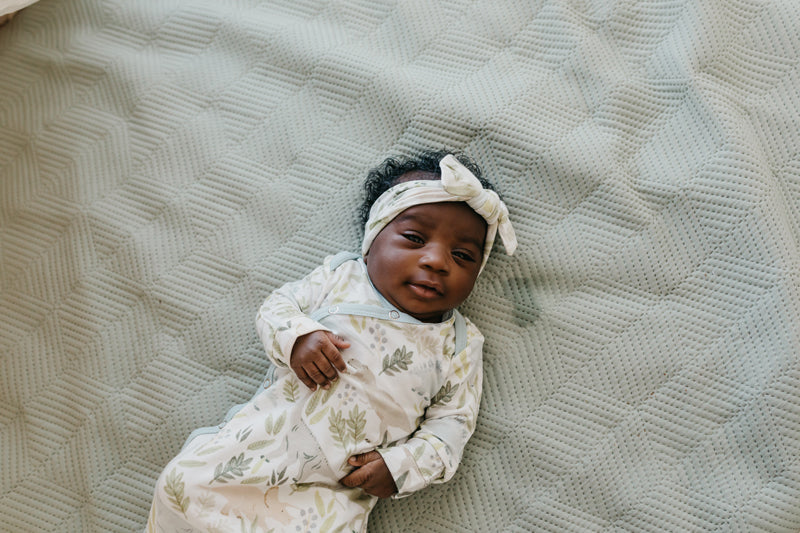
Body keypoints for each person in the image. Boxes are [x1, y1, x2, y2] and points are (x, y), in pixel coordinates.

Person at [146, 150, 517, 532]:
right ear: (372, 241)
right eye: (414, 238)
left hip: (334, 493)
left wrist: (401, 467)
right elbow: (277, 307)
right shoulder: (341, 277)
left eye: (462, 255)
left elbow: (452, 426)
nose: (438, 261)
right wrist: (298, 337)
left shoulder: (459, 344)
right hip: (259, 447)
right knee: (183, 485)